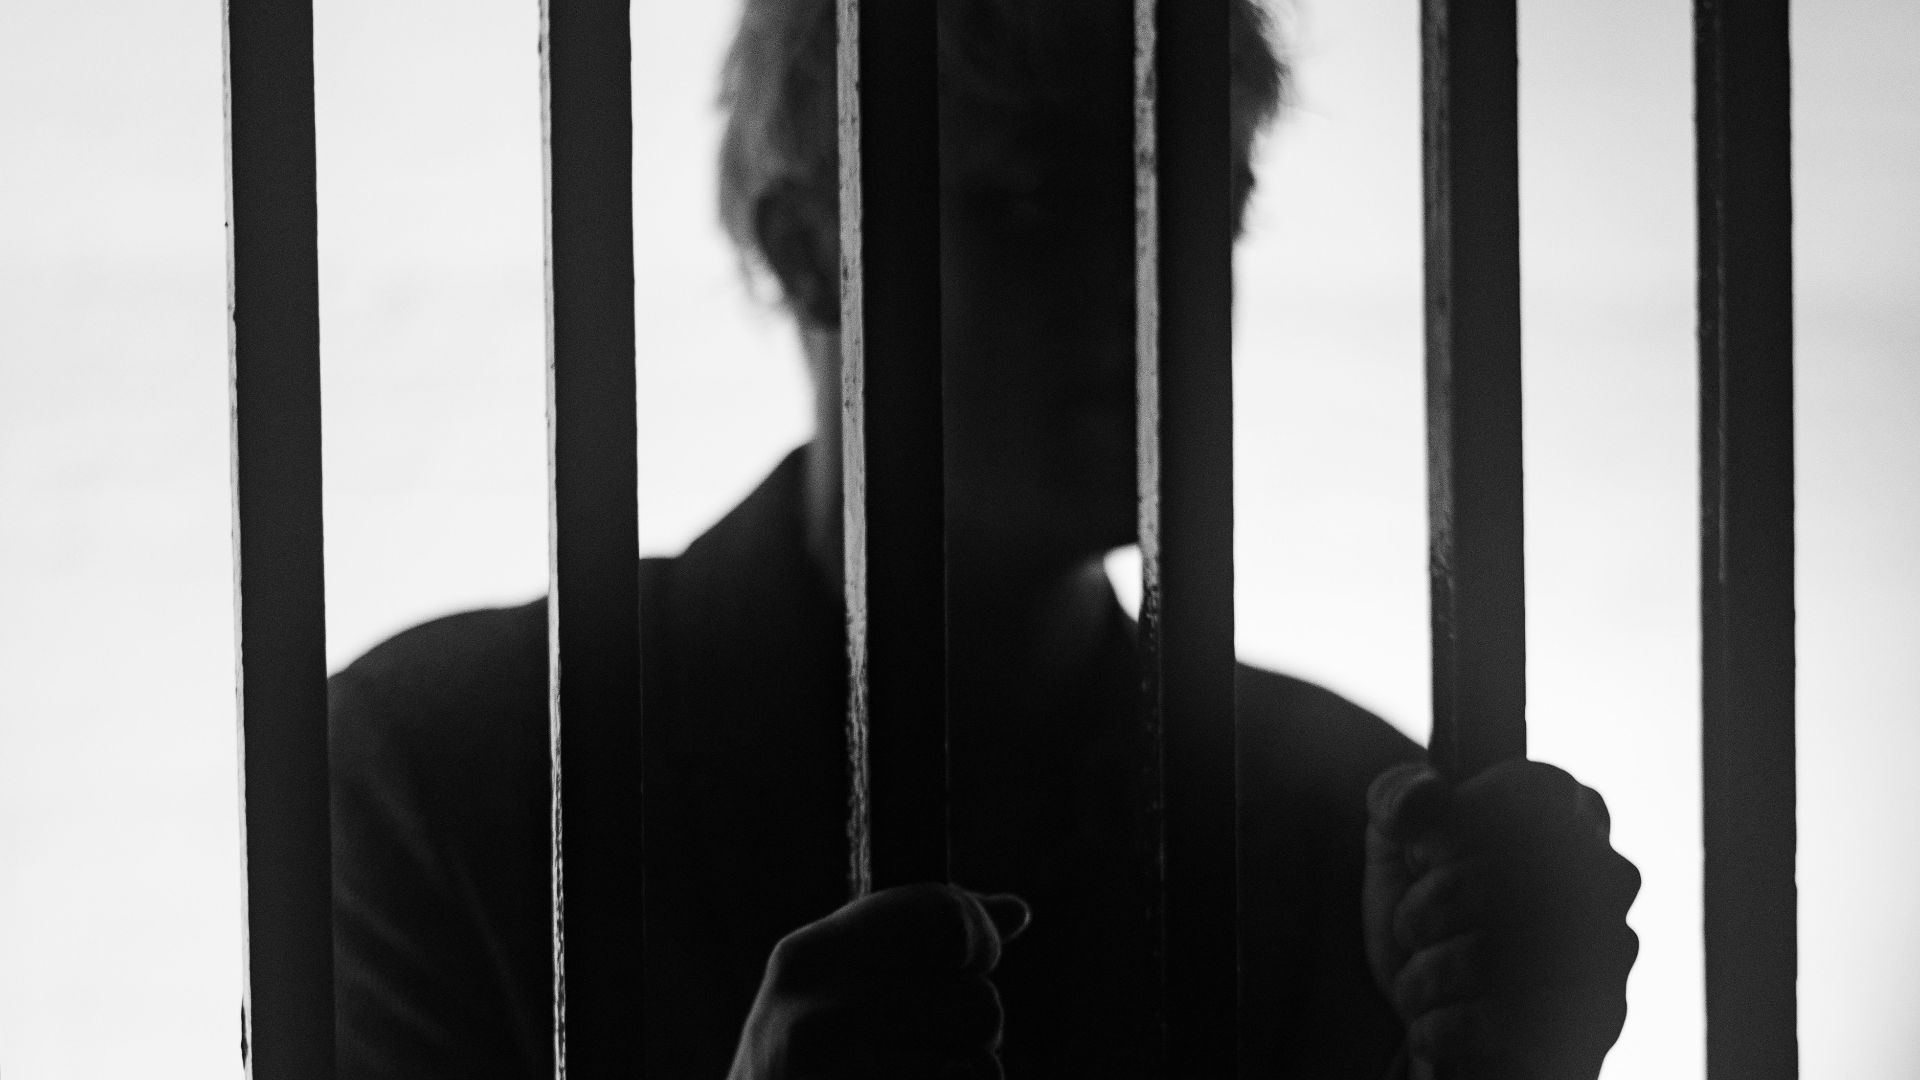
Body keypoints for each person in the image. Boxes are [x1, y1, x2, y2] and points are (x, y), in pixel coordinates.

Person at [329, 1, 1641, 1076]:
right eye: (1039, 205)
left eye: (1205, 206)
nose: (1154, 283)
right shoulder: (446, 777)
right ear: (806, 250)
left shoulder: (1344, 828)